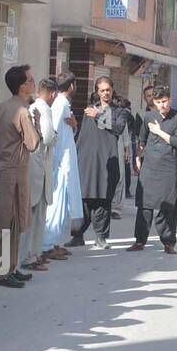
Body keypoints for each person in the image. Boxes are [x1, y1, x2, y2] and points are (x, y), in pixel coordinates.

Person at [0, 64, 41, 288]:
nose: (33, 83)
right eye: (30, 80)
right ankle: (2, 272)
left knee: (13, 221)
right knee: (8, 221)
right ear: (22, 86)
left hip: (8, 167)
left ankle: (10, 267)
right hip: (15, 168)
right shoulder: (22, 111)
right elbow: (32, 143)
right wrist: (37, 121)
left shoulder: (4, 106)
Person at [128, 85, 177, 254]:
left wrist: (159, 132)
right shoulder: (149, 117)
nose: (162, 105)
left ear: (170, 99)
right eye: (159, 102)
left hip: (168, 167)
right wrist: (138, 157)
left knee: (168, 206)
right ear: (154, 101)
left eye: (165, 101)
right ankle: (140, 241)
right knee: (144, 205)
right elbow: (142, 140)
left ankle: (168, 242)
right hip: (150, 167)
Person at [70, 76, 123, 249]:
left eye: (108, 89)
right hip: (87, 161)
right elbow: (82, 137)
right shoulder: (89, 111)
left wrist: (99, 115)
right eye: (102, 90)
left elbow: (118, 128)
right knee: (84, 198)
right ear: (97, 92)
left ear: (112, 90)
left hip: (107, 161)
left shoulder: (118, 111)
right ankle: (77, 235)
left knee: (103, 198)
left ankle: (101, 237)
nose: (105, 93)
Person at [43, 73, 83, 259]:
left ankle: (52, 242)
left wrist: (74, 126)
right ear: (72, 86)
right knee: (56, 205)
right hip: (59, 164)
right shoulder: (60, 104)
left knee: (63, 205)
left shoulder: (63, 103)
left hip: (64, 161)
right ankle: (46, 245)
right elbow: (53, 133)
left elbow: (65, 132)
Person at [22, 77, 58, 272]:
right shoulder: (44, 108)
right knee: (35, 217)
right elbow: (49, 136)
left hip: (35, 167)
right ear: (53, 93)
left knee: (35, 216)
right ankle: (30, 256)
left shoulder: (35, 106)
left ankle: (32, 254)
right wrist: (55, 137)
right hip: (38, 169)